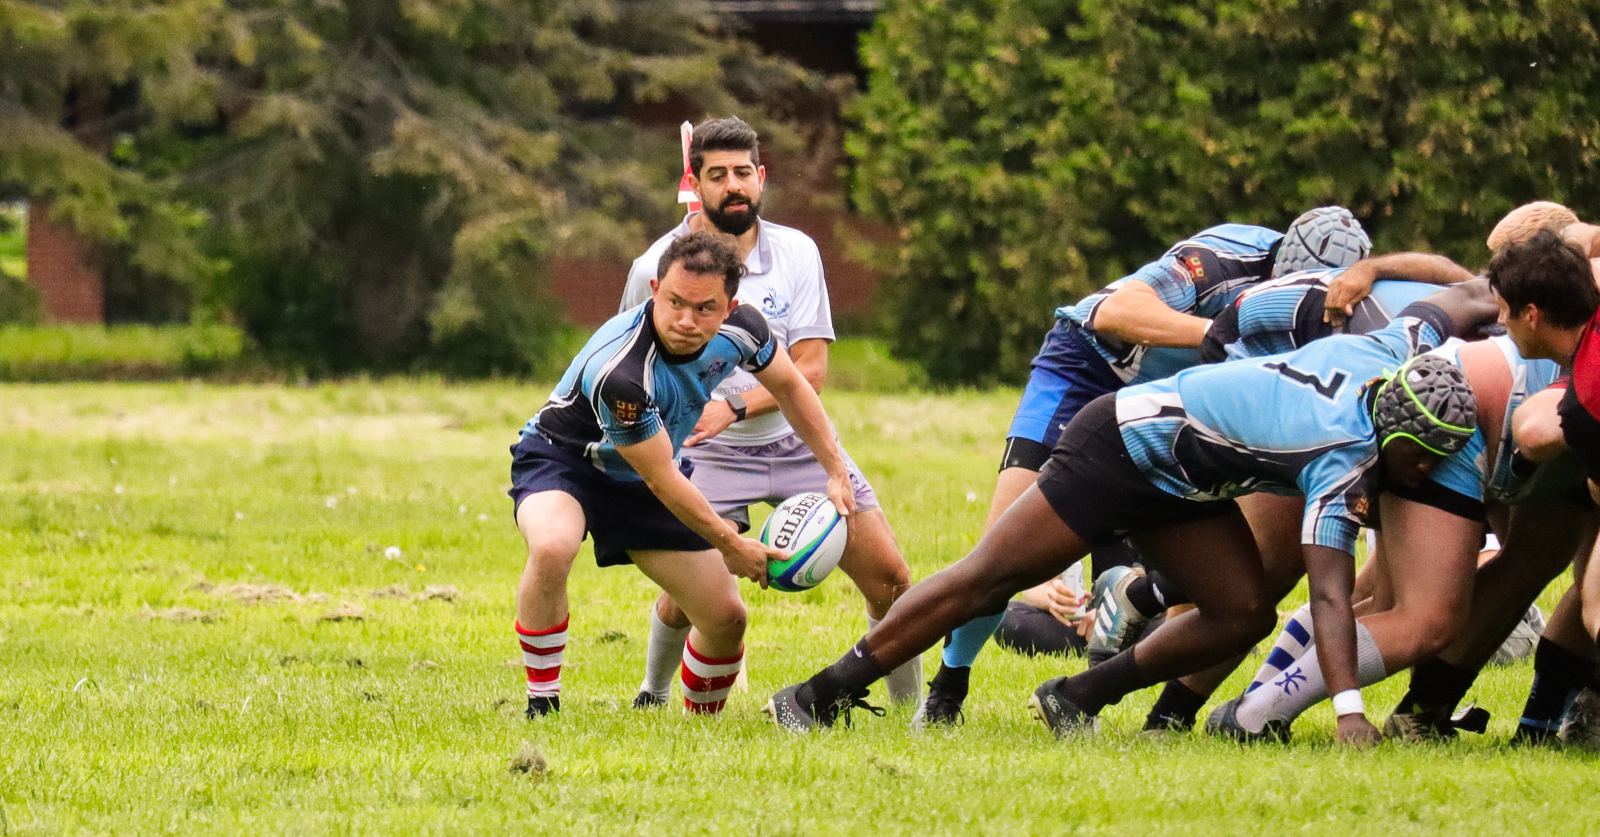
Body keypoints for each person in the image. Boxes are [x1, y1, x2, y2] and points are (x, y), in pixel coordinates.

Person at [768, 285, 1497, 746]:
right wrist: (1347, 713)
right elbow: (1332, 597)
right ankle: (813, 693)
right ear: (1395, 435)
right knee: (986, 579)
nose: (1429, 476)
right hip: (1118, 441)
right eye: (1425, 459)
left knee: (1243, 611)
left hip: (1179, 479)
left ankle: (1077, 695)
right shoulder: (1342, 455)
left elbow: (1465, 294)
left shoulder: (1401, 349)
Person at [916, 210, 1387, 727]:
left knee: (1233, 570)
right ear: (1279, 269)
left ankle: (1160, 703)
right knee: (1000, 556)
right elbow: (1116, 312)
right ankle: (948, 685)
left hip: (1167, 410)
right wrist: (1220, 333)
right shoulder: (1227, 256)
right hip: (1087, 371)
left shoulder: (1348, 309)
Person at [615, 117, 920, 710]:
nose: (734, 186)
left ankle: (913, 713)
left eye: (744, 174)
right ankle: (652, 692)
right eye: (717, 175)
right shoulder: (654, 265)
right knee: (693, 595)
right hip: (702, 451)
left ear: (761, 178)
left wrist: (732, 405)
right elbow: (630, 364)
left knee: (893, 579)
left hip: (795, 440)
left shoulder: (797, 253)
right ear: (694, 182)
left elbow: (808, 372)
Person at [509, 232, 858, 718]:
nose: (686, 321)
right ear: (655, 289)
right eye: (674, 302)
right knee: (552, 545)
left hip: (641, 476)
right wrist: (732, 544)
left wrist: (836, 470)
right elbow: (661, 479)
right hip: (565, 460)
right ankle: (541, 704)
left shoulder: (746, 329)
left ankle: (700, 727)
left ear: (730, 307)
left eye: (704, 308)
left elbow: (793, 389)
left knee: (726, 618)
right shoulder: (623, 372)